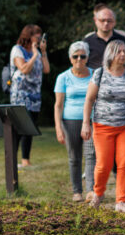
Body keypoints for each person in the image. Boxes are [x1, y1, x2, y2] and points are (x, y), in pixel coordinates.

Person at [81, 41, 125, 211]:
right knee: (103, 164)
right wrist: (85, 123)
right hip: (103, 126)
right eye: (119, 52)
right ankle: (98, 193)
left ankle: (121, 202)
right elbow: (89, 99)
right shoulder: (100, 74)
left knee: (124, 163)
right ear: (110, 54)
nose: (123, 55)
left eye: (124, 52)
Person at [83, 5, 125, 186]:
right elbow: (81, 64)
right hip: (97, 92)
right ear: (95, 21)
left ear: (114, 22)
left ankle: (116, 181)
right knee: (95, 153)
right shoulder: (88, 41)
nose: (106, 23)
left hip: (122, 93)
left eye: (109, 20)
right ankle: (93, 186)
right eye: (102, 20)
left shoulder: (121, 39)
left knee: (121, 158)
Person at [54, 41, 93, 201]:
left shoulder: (95, 75)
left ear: (87, 58)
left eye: (82, 56)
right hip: (70, 121)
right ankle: (77, 191)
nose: (79, 59)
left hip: (91, 120)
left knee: (91, 155)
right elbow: (58, 105)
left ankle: (91, 190)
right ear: (70, 58)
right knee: (74, 157)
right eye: (75, 56)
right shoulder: (63, 77)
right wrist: (58, 128)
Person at [9, 24, 50, 166]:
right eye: (36, 36)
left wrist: (42, 52)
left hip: (35, 96)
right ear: (28, 36)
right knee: (19, 127)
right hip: (20, 95)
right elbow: (24, 69)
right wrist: (34, 55)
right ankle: (11, 159)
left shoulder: (37, 51)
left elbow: (46, 69)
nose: (38, 39)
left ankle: (25, 160)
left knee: (30, 127)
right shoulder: (17, 50)